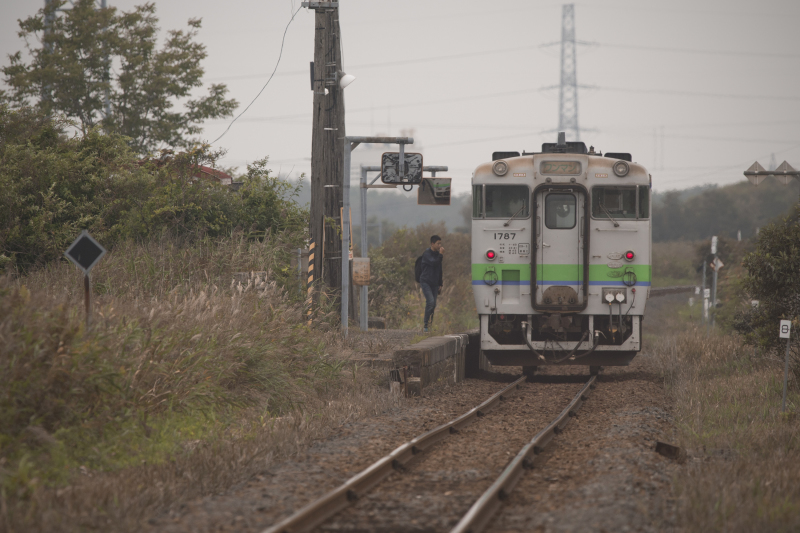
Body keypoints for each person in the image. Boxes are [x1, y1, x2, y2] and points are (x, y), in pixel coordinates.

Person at [420, 235, 444, 332]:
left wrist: (440, 283)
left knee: (433, 305)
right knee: (430, 302)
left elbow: (439, 269)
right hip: (426, 281)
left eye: (440, 243)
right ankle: (425, 325)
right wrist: (441, 255)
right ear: (432, 244)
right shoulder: (427, 254)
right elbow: (434, 263)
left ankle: (429, 325)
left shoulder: (437, 254)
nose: (440, 246)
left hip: (434, 283)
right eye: (438, 243)